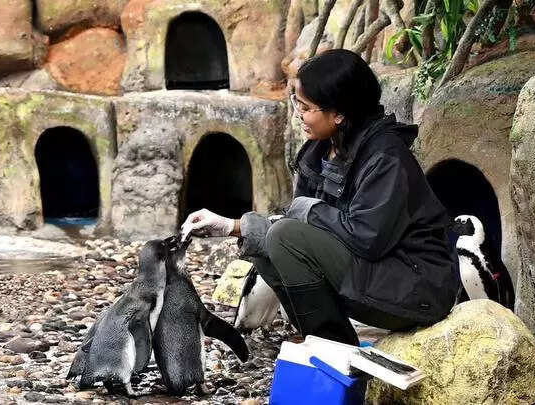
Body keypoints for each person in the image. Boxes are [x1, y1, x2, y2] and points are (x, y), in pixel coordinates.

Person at [181, 49, 460, 345]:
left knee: (284, 237)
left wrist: (308, 210)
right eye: (296, 103)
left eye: (306, 107)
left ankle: (332, 346)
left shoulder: (386, 158)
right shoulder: (318, 152)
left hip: (417, 288)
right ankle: (326, 341)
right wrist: (230, 226)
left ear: (338, 114)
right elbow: (296, 225)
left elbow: (366, 239)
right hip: (375, 277)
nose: (297, 114)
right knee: (262, 239)